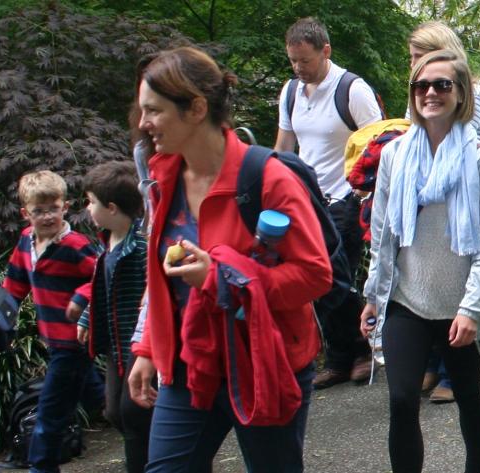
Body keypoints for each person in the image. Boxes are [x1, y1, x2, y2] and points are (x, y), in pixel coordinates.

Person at [127, 46, 330, 472]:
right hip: (189, 361)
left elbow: (314, 275)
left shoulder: (268, 179)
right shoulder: (162, 178)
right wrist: (147, 346)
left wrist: (221, 277)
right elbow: (160, 275)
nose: (143, 124)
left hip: (264, 361)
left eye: (154, 111)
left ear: (196, 108)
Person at [360, 49, 480, 473]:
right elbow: (384, 235)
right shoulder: (394, 156)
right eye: (421, 85)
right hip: (408, 300)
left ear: (460, 94)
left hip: (462, 305)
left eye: (442, 84)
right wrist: (374, 296)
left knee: (467, 393)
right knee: (402, 399)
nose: (430, 93)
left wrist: (472, 309)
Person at [274, 17, 383, 389]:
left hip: (345, 200)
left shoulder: (352, 89)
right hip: (304, 202)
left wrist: (366, 196)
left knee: (332, 280)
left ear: (325, 51)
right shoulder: (290, 92)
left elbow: (380, 143)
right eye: (292, 61)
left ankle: (363, 350)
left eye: (304, 60)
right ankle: (342, 357)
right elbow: (284, 147)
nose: (298, 68)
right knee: (319, 283)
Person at [407, 20, 480, 403]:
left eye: (418, 56)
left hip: (462, 196)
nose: (416, 69)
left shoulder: (469, 91)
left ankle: (451, 372)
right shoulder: (421, 91)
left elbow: (454, 143)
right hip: (426, 203)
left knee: (461, 272)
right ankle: (429, 361)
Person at [2, 170, 99, 473]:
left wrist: (81, 297)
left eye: (53, 209)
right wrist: (3, 316)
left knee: (50, 413)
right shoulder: (26, 243)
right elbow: (15, 283)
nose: (47, 217)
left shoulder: (74, 245)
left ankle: (41, 466)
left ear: (65, 206)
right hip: (55, 341)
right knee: (101, 400)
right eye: (38, 211)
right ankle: (140, 431)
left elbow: (102, 276)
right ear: (25, 213)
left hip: (74, 340)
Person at [76, 160, 152, 473]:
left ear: (111, 207)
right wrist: (85, 319)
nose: (87, 208)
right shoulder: (109, 242)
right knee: (115, 412)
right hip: (114, 345)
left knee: (133, 413)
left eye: (91, 202)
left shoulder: (142, 246)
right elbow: (101, 286)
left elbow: (153, 294)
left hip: (137, 344)